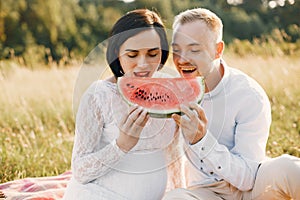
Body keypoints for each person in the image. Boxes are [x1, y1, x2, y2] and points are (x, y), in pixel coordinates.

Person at [163, 8, 300, 200]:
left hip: (253, 188)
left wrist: (202, 141)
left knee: (289, 168)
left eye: (194, 49)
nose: (182, 59)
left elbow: (248, 178)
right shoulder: (171, 93)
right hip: (205, 192)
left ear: (218, 50)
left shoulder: (248, 94)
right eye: (176, 50)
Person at [63, 9, 183, 200]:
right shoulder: (98, 95)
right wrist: (122, 144)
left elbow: (173, 156)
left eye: (153, 54)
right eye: (132, 55)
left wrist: (179, 193)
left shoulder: (171, 92)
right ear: (117, 54)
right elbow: (80, 170)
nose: (143, 64)